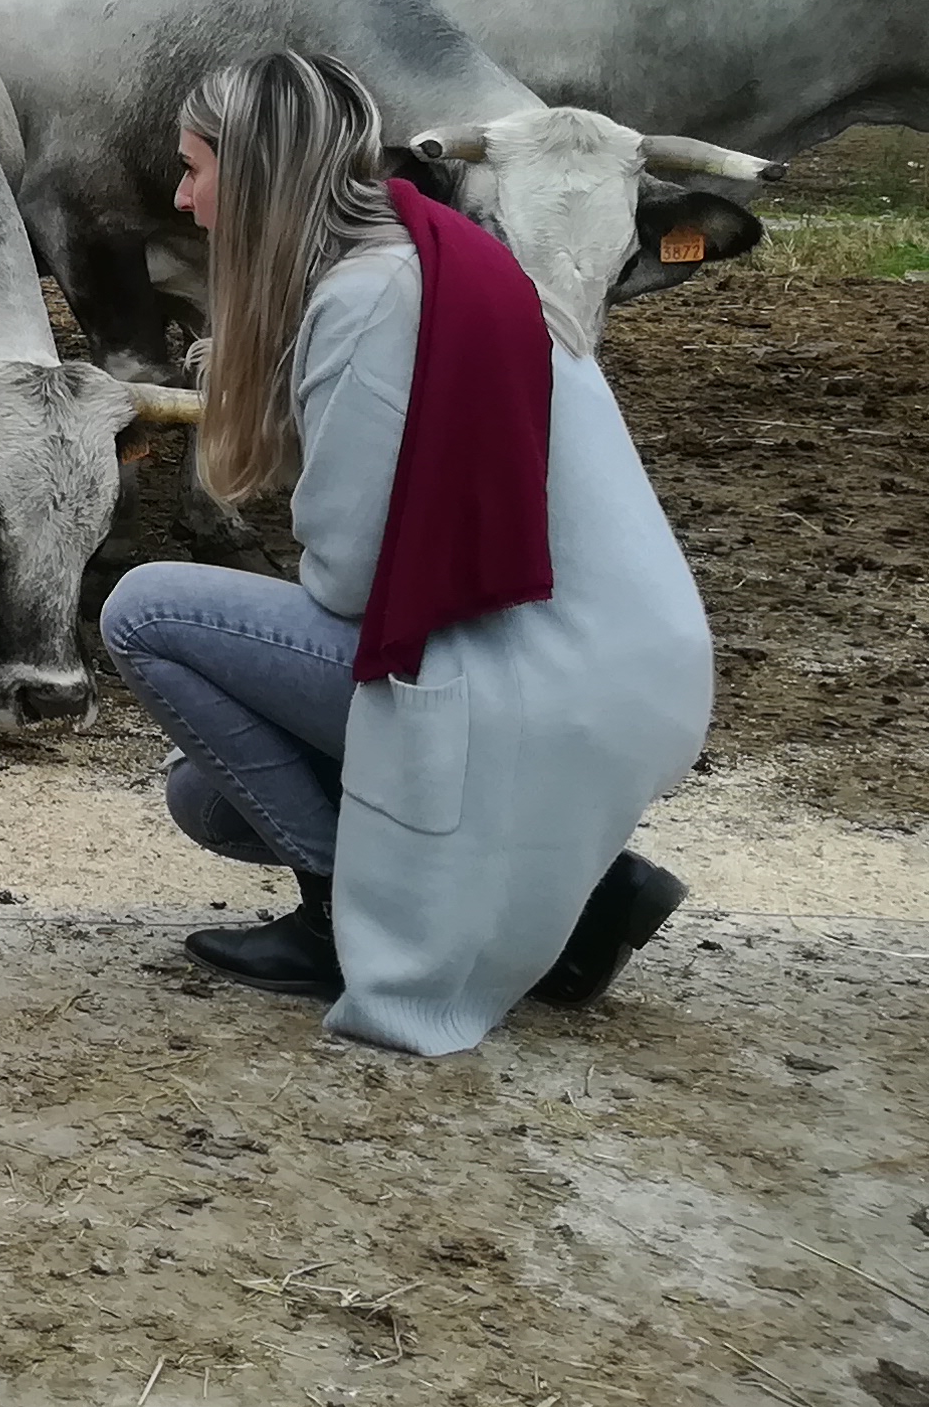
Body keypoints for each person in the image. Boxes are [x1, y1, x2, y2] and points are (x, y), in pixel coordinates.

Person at [94, 52, 711, 1052]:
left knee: (145, 611)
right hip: (619, 668)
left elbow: (346, 581)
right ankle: (588, 894)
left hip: (541, 676)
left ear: (251, 178)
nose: (180, 196)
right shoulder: (431, 257)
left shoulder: (364, 298)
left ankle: (351, 918)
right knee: (206, 797)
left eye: (193, 167)